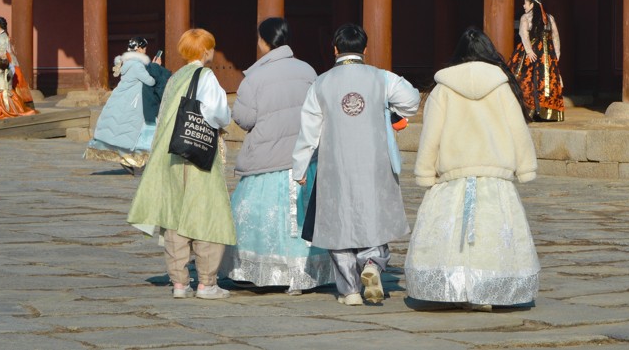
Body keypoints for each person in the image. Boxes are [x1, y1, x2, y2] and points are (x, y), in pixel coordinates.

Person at [405, 27, 539, 311]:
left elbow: (431, 135)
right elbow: (518, 130)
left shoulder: (443, 89)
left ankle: (455, 290)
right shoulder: (502, 86)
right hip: (495, 179)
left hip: (452, 179)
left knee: (451, 239)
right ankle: (488, 289)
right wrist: (526, 167)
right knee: (493, 237)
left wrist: (425, 171)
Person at [292, 23, 420, 306]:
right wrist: (388, 108)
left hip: (334, 165)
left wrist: (300, 167)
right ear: (365, 49)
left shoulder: (322, 82)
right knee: (374, 216)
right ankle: (372, 263)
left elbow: (309, 129)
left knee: (338, 224)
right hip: (375, 162)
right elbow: (411, 101)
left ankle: (349, 290)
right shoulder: (382, 78)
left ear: (335, 49)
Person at [221, 17, 333, 294]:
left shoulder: (255, 76)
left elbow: (245, 118)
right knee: (303, 218)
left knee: (259, 218)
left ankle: (255, 270)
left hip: (266, 159)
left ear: (263, 42)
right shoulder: (308, 70)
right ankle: (305, 272)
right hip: (303, 159)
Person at [126, 28, 235, 300]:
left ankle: (179, 283)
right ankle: (207, 282)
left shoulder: (176, 77)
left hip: (172, 153)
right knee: (205, 212)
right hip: (198, 154)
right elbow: (216, 113)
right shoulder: (206, 76)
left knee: (175, 216)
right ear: (206, 50)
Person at [84, 37, 170, 174]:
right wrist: (156, 66)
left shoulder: (128, 63)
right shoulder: (137, 65)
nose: (145, 51)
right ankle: (133, 161)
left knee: (124, 131)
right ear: (140, 48)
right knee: (137, 132)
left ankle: (129, 160)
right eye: (145, 48)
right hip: (133, 103)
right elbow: (150, 81)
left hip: (123, 100)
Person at [508, 0, 563, 121]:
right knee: (546, 80)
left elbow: (523, 34)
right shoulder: (549, 18)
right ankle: (546, 112)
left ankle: (531, 110)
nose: (523, 6)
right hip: (546, 53)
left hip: (533, 52)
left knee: (526, 77)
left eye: (525, 3)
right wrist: (556, 53)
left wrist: (528, 51)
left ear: (532, 4)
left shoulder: (526, 18)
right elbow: (555, 36)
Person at [0, 16, 35, 112]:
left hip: (2, 60)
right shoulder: (2, 36)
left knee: (3, 82)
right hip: (2, 58)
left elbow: (1, 51)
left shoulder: (2, 36)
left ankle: (4, 107)